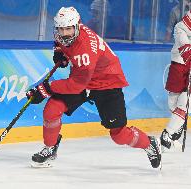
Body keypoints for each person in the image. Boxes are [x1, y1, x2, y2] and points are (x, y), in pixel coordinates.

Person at [26, 7, 162, 169]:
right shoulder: (72, 31)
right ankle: (50, 148)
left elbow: (77, 85)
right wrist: (59, 52)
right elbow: (62, 42)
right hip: (84, 80)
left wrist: (45, 89)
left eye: (68, 29)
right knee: (52, 110)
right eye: (60, 29)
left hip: (107, 83)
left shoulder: (86, 51)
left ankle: (149, 143)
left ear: (77, 26)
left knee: (119, 135)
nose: (64, 33)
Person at [160, 10, 191, 150]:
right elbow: (186, 51)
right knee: (173, 103)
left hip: (185, 67)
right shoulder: (179, 28)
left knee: (184, 102)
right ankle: (178, 124)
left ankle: (168, 132)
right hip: (179, 66)